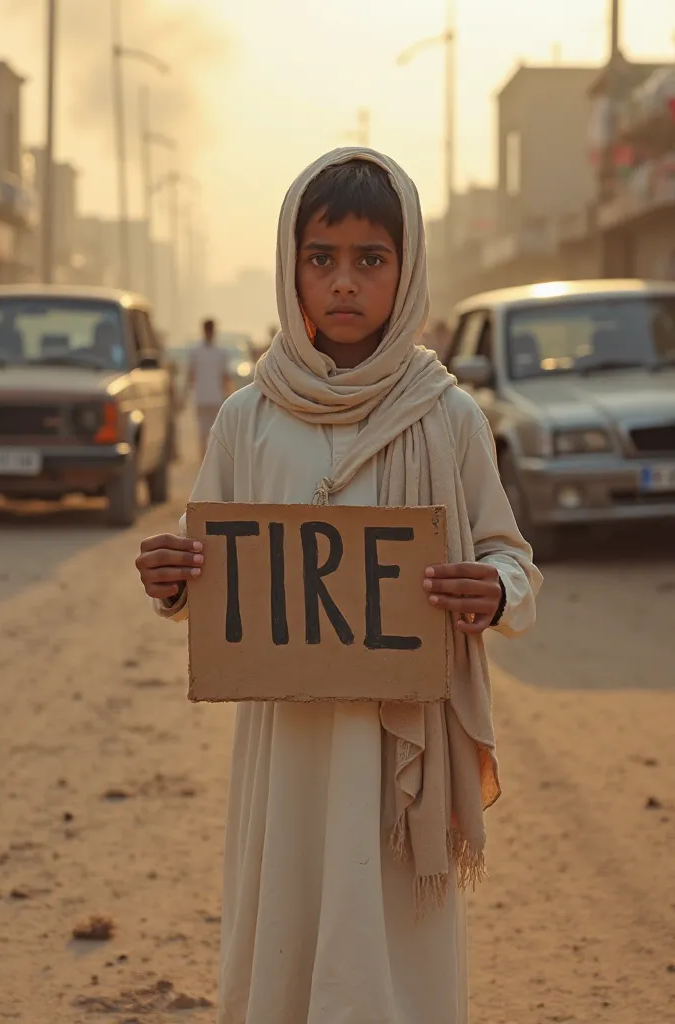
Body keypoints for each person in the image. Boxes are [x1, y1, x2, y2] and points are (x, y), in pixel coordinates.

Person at [135, 149, 542, 1024]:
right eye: (321, 258)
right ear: (291, 267)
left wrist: (494, 591)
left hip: (401, 753)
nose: (345, 282)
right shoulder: (249, 417)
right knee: (288, 928)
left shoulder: (448, 415)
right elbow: (209, 554)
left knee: (394, 955)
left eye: (371, 259)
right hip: (289, 746)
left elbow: (514, 559)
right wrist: (174, 577)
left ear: (408, 268)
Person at [187, 318, 230, 459]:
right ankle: (204, 461)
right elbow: (190, 375)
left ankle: (210, 460)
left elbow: (225, 377)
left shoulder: (220, 352)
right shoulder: (197, 351)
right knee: (203, 432)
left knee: (214, 432)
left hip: (214, 398)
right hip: (203, 397)